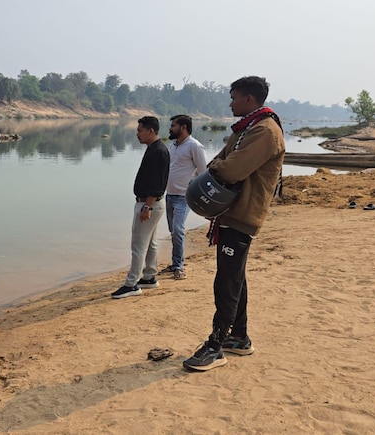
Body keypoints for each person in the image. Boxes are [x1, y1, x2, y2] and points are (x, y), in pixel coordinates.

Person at [183, 76, 285, 371]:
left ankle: (216, 345)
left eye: (234, 97)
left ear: (249, 99)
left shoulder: (265, 131)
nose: (231, 103)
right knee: (233, 275)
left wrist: (214, 170)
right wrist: (216, 167)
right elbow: (221, 159)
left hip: (243, 214)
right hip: (233, 213)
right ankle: (238, 337)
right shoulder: (248, 128)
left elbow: (232, 169)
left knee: (227, 280)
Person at [111, 116, 170, 299]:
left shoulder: (158, 151)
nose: (137, 134)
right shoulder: (154, 149)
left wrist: (147, 207)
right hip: (151, 203)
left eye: (139, 130)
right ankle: (150, 276)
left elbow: (158, 183)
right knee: (150, 242)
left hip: (148, 203)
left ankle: (132, 284)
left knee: (138, 244)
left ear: (150, 131)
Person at [159, 114, 208, 280]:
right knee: (173, 231)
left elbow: (203, 173)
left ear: (184, 127)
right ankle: (174, 263)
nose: (170, 128)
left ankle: (179, 266)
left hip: (183, 197)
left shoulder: (195, 146)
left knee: (178, 230)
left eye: (173, 125)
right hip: (169, 195)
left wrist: (197, 194)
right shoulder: (173, 145)